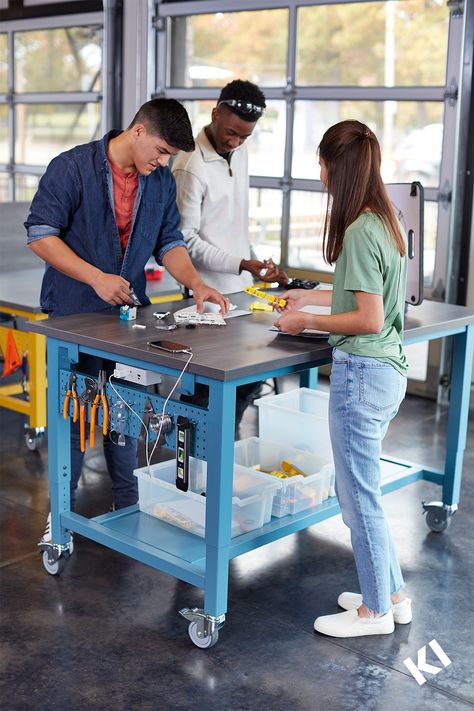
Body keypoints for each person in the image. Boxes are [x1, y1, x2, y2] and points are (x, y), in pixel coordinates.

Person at [25, 98, 228, 538]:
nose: (161, 162)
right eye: (159, 151)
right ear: (138, 131)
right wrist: (97, 278)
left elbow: (169, 240)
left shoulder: (156, 182)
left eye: (169, 157)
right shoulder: (72, 167)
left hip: (125, 320)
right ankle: (60, 516)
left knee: (124, 411)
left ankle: (128, 505)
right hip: (73, 316)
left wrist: (195, 282)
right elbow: (40, 235)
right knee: (74, 414)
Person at [274, 120, 411, 638]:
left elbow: (367, 318)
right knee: (365, 492)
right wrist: (310, 297)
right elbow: (363, 293)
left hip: (362, 373)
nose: (321, 174)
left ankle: (374, 613)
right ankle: (392, 595)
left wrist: (305, 320)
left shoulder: (356, 231)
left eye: (323, 164)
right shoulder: (385, 220)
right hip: (388, 370)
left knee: (357, 499)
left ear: (339, 167)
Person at [172, 79, 287, 429]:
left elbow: (234, 223)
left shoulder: (240, 151)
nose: (235, 142)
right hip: (206, 296)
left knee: (247, 378)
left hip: (239, 291)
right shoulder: (190, 164)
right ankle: (192, 467)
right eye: (231, 133)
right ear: (215, 113)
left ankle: (221, 453)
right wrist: (241, 263)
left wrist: (254, 265)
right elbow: (184, 241)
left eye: (245, 136)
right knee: (206, 394)